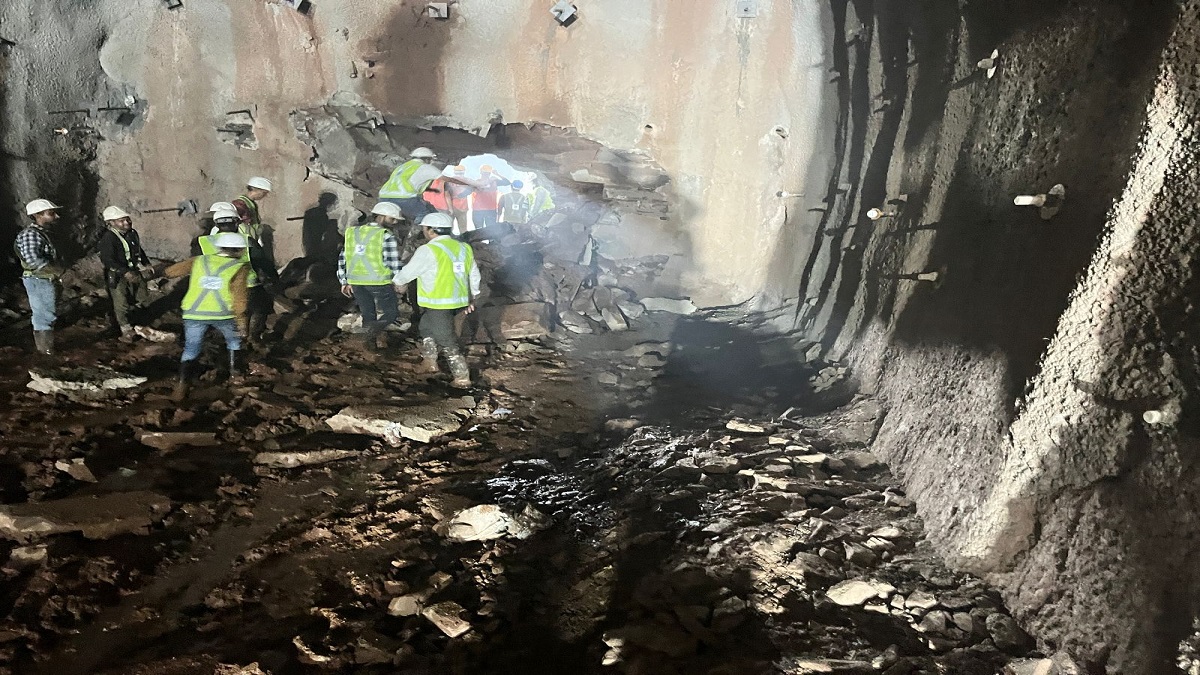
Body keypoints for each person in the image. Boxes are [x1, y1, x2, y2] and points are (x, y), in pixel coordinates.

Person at [392, 212, 481, 388]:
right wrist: (473, 297)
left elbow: (409, 272)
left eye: (425, 228)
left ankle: (462, 377)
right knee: (426, 327)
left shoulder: (428, 250)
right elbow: (474, 275)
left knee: (446, 339)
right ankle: (430, 363)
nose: (424, 231)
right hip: (459, 301)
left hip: (438, 303)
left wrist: (398, 282)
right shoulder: (464, 248)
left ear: (431, 230)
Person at [162, 232, 251, 401]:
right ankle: (236, 376)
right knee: (234, 341)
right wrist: (242, 323)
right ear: (239, 249)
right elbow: (240, 299)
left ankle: (181, 387)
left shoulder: (199, 260)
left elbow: (171, 271)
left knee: (191, 348)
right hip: (222, 314)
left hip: (193, 312)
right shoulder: (240, 267)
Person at [203, 203, 278, 348]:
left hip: (216, 286)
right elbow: (263, 262)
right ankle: (253, 337)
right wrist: (274, 279)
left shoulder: (205, 242)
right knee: (261, 306)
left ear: (216, 224)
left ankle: (226, 337)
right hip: (247, 285)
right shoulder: (246, 241)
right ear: (237, 222)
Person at [337, 202, 405, 350]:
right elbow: (393, 261)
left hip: (356, 281)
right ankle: (365, 335)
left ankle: (370, 347)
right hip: (379, 281)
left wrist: (344, 281)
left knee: (368, 314)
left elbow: (343, 257)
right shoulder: (386, 235)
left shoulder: (352, 232)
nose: (394, 222)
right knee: (391, 314)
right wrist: (400, 281)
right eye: (392, 219)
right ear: (381, 216)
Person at [14, 199, 63, 355]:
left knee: (46, 313)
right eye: (51, 213)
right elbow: (33, 259)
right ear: (37, 215)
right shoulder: (30, 234)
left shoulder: (42, 233)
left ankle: (46, 349)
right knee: (44, 315)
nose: (56, 217)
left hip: (44, 278)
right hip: (39, 279)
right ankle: (45, 351)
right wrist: (57, 270)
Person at [97, 206, 153, 340]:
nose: (126, 222)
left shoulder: (132, 233)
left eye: (127, 219)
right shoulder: (108, 238)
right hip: (116, 274)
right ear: (111, 223)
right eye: (121, 221)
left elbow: (138, 250)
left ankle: (138, 323)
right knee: (121, 302)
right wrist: (124, 272)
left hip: (133, 270)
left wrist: (146, 264)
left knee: (142, 296)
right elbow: (107, 260)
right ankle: (125, 329)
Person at [378, 147, 445, 223]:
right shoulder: (425, 167)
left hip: (383, 198)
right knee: (424, 214)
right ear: (427, 159)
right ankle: (418, 233)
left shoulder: (401, 167)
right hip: (404, 198)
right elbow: (444, 177)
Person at [469, 164, 511, 231]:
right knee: (491, 231)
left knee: (478, 231)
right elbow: (507, 182)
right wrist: (497, 174)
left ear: (481, 172)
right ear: (490, 173)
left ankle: (477, 241)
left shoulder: (475, 183)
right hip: (490, 210)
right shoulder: (495, 182)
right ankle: (491, 241)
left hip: (478, 210)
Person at [231, 177, 272, 243]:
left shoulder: (251, 203)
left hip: (251, 238)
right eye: (264, 193)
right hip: (244, 239)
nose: (265, 196)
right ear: (255, 190)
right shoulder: (239, 203)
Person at [445, 165, 475, 233]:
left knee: (451, 227)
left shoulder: (449, 181)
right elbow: (472, 189)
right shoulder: (466, 180)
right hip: (461, 207)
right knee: (462, 228)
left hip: (453, 207)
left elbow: (446, 193)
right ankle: (463, 241)